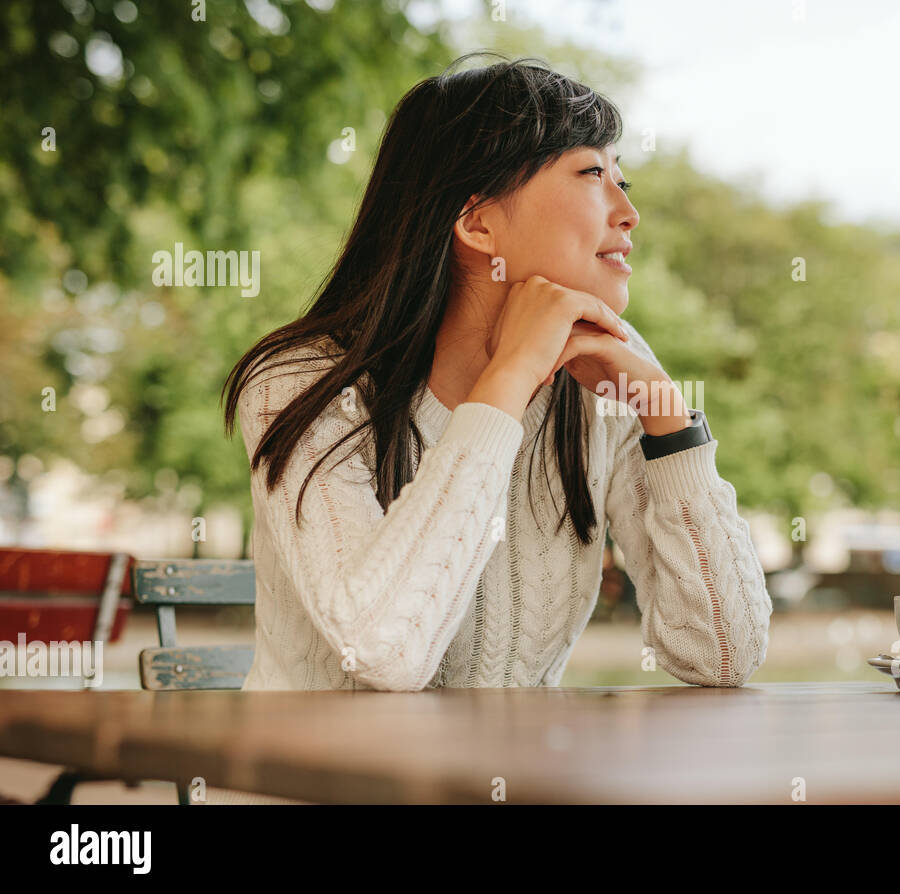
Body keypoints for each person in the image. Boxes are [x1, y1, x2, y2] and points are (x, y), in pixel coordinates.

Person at [221, 52, 772, 694]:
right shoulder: (301, 383)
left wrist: (668, 420)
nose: (628, 212)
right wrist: (508, 380)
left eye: (624, 180)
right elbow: (383, 651)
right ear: (477, 222)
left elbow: (724, 657)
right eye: (593, 173)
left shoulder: (603, 381)